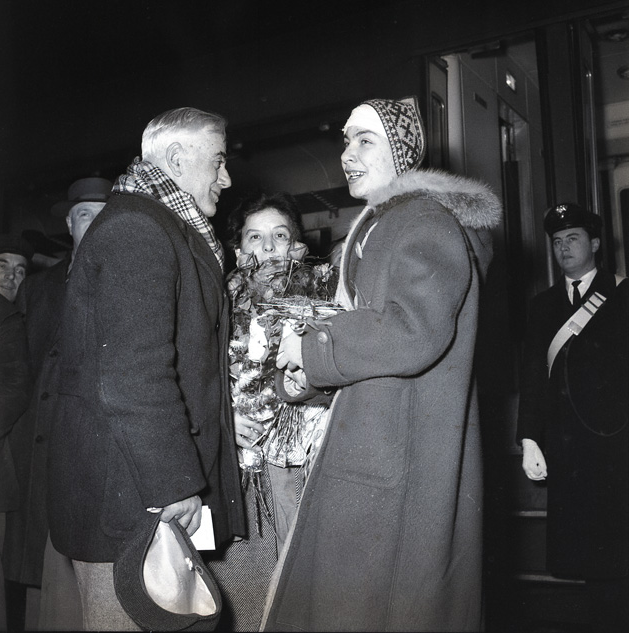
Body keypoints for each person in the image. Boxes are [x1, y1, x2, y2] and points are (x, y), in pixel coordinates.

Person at [265, 97, 502, 631]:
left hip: (392, 472)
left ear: (401, 152)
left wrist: (314, 349)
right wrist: (309, 379)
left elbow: (415, 331)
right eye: (346, 140)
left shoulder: (421, 220)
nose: (347, 154)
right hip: (382, 459)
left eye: (365, 140)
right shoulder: (392, 222)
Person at [46, 107, 246, 631]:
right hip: (131, 498)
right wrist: (174, 484)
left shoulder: (155, 225)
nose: (227, 178)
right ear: (177, 160)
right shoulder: (138, 229)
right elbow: (135, 377)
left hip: (135, 490)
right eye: (218, 161)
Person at [207, 191, 337, 631]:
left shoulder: (324, 295)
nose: (267, 247)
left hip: (298, 461)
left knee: (301, 579)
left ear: (297, 246)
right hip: (236, 463)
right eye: (254, 237)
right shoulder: (216, 300)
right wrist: (222, 417)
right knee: (241, 585)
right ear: (238, 249)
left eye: (279, 236)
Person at [2, 177, 111, 631]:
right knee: (31, 570)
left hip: (85, 446)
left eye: (104, 215)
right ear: (69, 223)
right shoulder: (38, 288)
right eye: (85, 215)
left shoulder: (127, 283)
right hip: (32, 443)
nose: (94, 224)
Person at [517, 203, 628, 632]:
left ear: (595, 244)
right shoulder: (542, 305)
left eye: (574, 238)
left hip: (617, 447)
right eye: (557, 241)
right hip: (569, 450)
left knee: (619, 557)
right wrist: (529, 439)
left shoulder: (622, 294)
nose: (564, 247)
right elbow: (533, 375)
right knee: (588, 560)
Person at [0, 236, 31, 631]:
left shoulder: (6, 317)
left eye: (20, 271)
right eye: (1, 265)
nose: (11, 276)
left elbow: (11, 391)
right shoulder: (1, 315)